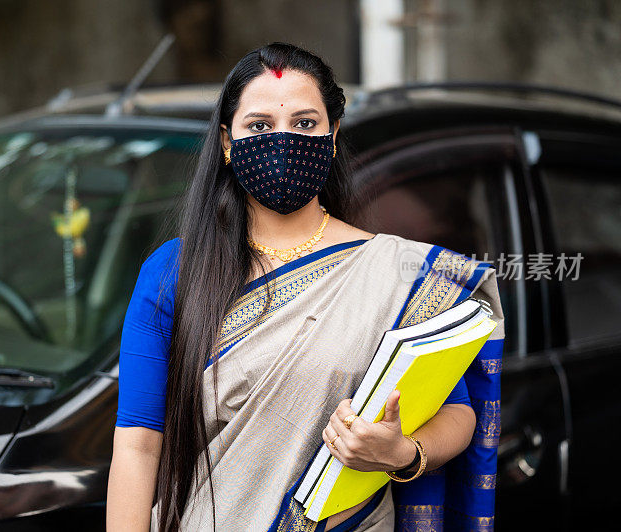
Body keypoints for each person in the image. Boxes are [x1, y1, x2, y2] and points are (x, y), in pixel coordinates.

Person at [106, 42, 504, 532]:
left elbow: (458, 413)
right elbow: (139, 442)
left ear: (333, 135)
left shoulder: (394, 271)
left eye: (304, 123)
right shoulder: (175, 273)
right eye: (259, 126)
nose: (283, 140)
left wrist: (400, 452)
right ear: (228, 143)